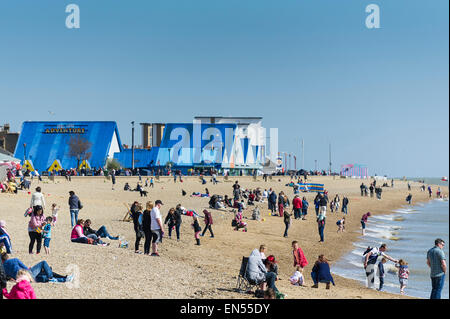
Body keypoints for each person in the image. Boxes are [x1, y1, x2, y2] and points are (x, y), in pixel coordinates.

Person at [1, 253, 72, 283]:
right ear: (7, 257)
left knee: (43, 277)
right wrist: (29, 268)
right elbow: (25, 267)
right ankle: (51, 276)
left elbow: (6, 277)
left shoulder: (3, 267)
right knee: (43, 263)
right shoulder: (14, 260)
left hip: (23, 280)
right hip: (27, 274)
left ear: (2, 260)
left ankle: (64, 279)